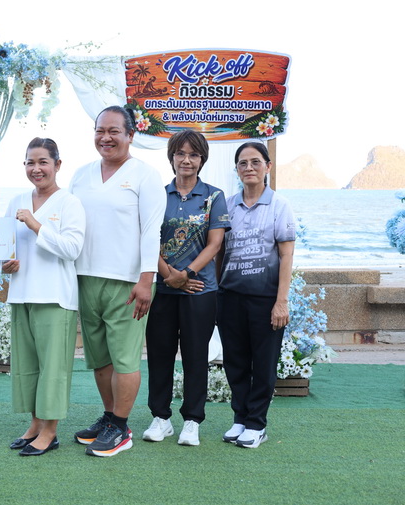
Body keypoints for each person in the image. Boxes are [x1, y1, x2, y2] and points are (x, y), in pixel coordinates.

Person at [69, 105, 166, 457]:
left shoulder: (145, 175)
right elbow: (66, 222)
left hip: (127, 283)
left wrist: (146, 279)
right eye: (100, 130)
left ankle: (121, 429)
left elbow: (151, 231)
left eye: (114, 131)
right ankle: (110, 418)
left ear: (130, 135)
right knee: (99, 357)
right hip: (86, 278)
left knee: (124, 358)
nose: (105, 137)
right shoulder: (81, 175)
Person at [142, 130, 230, 447]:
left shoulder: (213, 196)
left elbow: (215, 243)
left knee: (195, 357)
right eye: (180, 153)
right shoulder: (157, 195)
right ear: (172, 157)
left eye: (194, 154)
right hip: (163, 290)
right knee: (160, 356)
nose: (187, 160)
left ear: (202, 159)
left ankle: (192, 421)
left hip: (199, 291)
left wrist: (187, 273)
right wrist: (169, 275)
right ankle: (161, 418)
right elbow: (147, 238)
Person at [2, 138, 86, 457]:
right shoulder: (17, 201)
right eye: (30, 162)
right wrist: (4, 264)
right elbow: (6, 246)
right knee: (27, 365)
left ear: (57, 165)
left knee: (53, 368)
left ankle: (50, 431)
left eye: (43, 162)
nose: (36, 169)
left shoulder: (69, 203)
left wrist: (36, 225)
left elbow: (72, 249)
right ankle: (35, 424)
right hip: (22, 293)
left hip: (55, 296)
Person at [218, 141, 295, 448]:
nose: (249, 168)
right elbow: (219, 252)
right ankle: (240, 418)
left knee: (263, 363)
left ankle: (256, 424)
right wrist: (217, 291)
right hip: (230, 296)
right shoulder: (227, 205)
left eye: (255, 162)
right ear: (237, 170)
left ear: (267, 167)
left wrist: (281, 302)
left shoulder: (279, 205)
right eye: (243, 163)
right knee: (235, 361)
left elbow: (286, 256)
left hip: (265, 299)